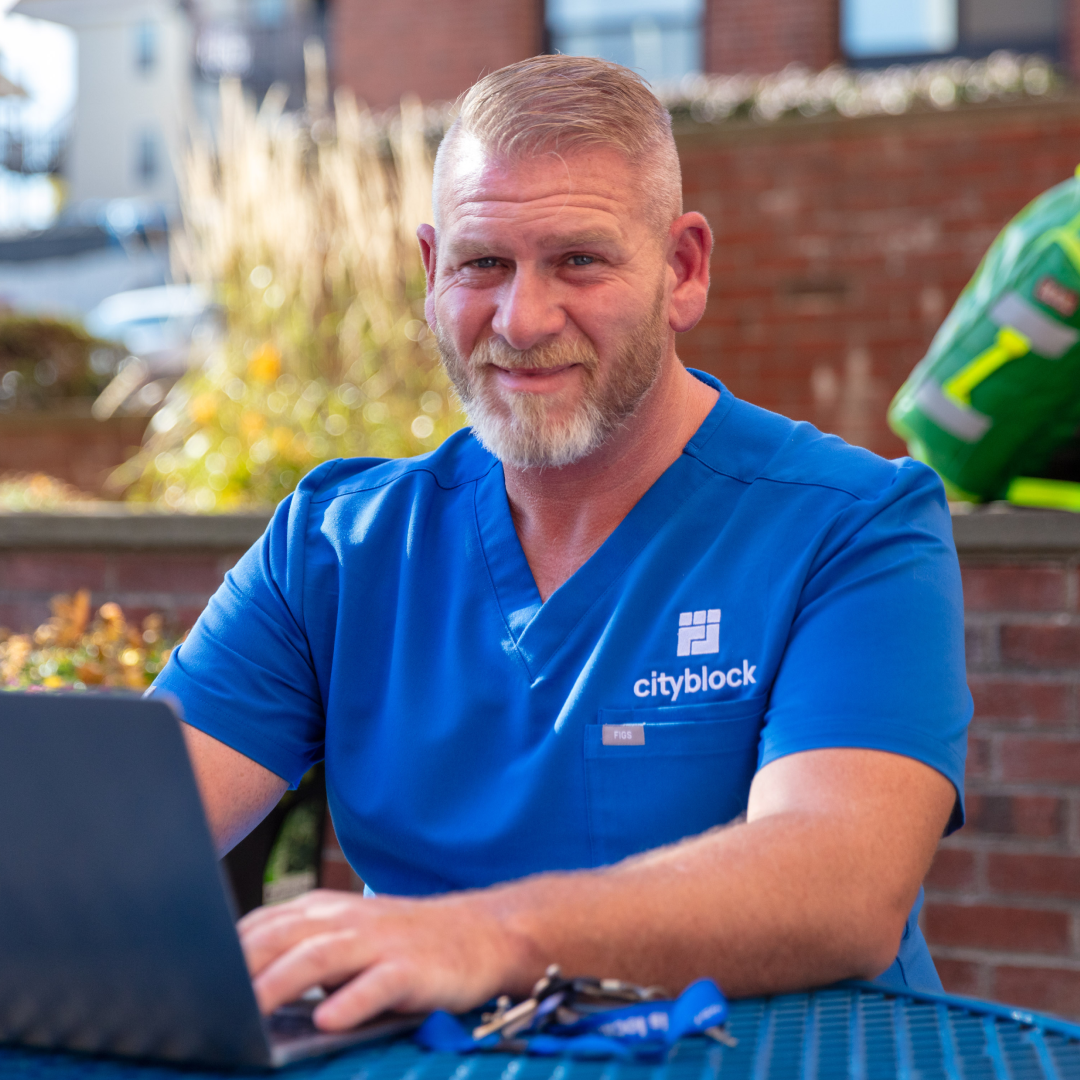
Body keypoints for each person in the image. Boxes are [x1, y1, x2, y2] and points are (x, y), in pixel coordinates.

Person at [152, 54, 971, 1034]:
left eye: (578, 260)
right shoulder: (335, 546)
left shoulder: (852, 525)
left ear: (683, 269)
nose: (522, 319)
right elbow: (125, 838)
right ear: (430, 270)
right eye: (482, 263)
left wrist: (483, 936)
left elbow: (841, 884)